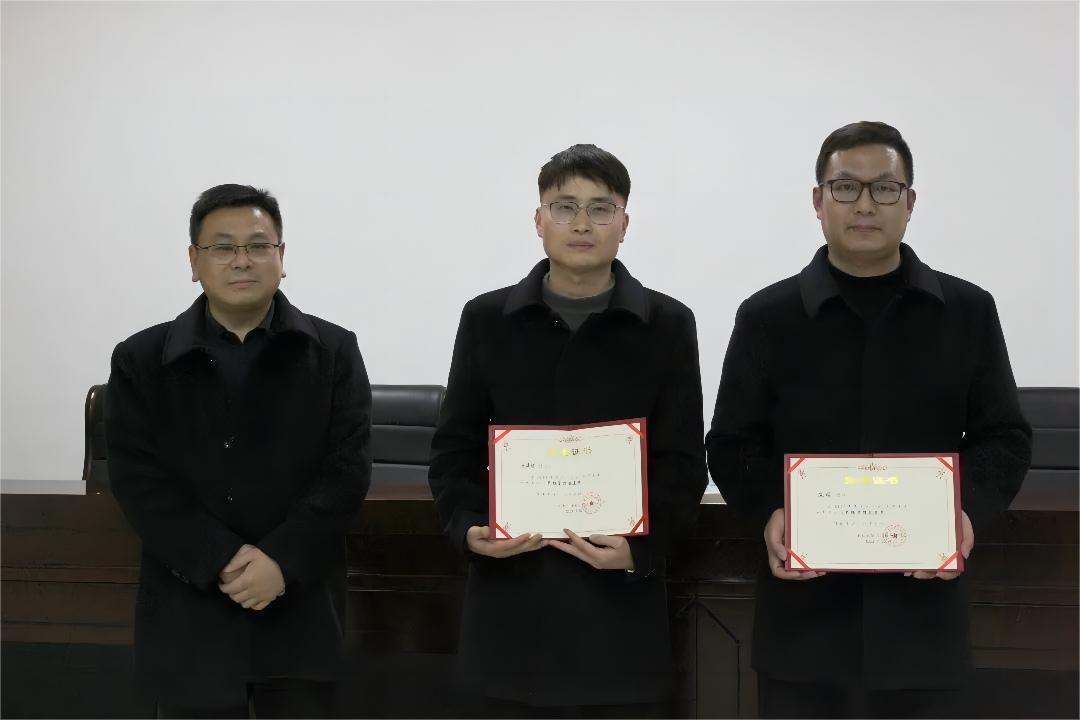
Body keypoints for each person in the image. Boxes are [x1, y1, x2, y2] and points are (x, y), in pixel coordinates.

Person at [706, 121, 1032, 718]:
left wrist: (964, 512)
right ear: (818, 200)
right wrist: (770, 510)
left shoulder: (966, 311)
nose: (864, 204)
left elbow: (1003, 436)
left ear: (910, 202)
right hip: (803, 621)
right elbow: (732, 442)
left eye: (884, 188)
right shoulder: (767, 316)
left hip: (923, 618)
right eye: (845, 187)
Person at [428, 144, 708, 717]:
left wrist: (639, 549)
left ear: (624, 223)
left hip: (618, 610)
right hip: (511, 602)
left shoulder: (667, 324)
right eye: (564, 206)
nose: (582, 224)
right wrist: (468, 527)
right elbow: (454, 451)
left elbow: (682, 463)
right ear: (539, 220)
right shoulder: (487, 320)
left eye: (601, 208)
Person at [106, 184, 372, 718]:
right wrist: (220, 559)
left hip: (298, 605)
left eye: (258, 245)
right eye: (223, 247)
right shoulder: (141, 358)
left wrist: (281, 560)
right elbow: (138, 479)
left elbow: (346, 470)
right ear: (194, 261)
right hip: (188, 610)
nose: (242, 260)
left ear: (281, 256)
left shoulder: (332, 350)